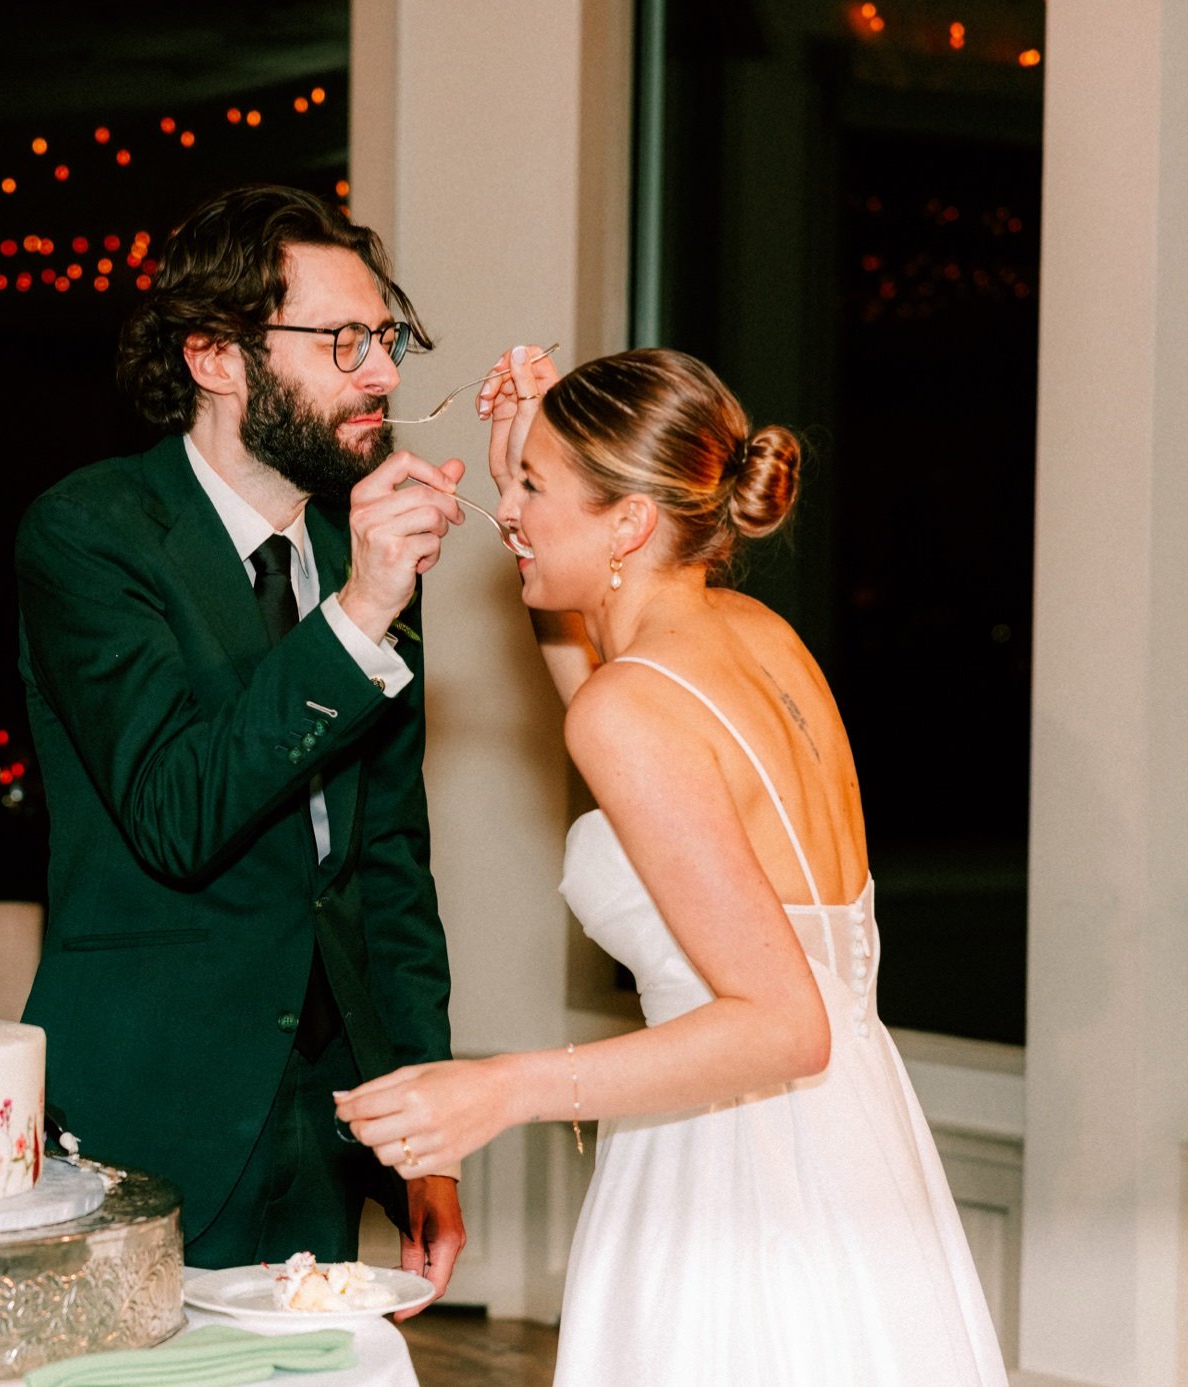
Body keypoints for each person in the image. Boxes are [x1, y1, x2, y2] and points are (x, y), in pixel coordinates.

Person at [336, 345, 1008, 1383]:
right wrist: (526, 446)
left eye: (530, 486)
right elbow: (595, 663)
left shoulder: (631, 706)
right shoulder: (753, 635)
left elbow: (786, 1025)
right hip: (855, 1145)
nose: (501, 509)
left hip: (735, 1173)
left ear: (630, 520)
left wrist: (503, 1089)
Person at [14, 184, 468, 1294]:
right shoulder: (91, 533)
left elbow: (388, 874)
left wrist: (424, 1131)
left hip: (325, 1119)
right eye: (346, 340)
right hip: (146, 1105)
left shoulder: (357, 554)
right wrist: (356, 614)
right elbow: (176, 813)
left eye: (388, 338)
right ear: (217, 356)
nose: (384, 374)